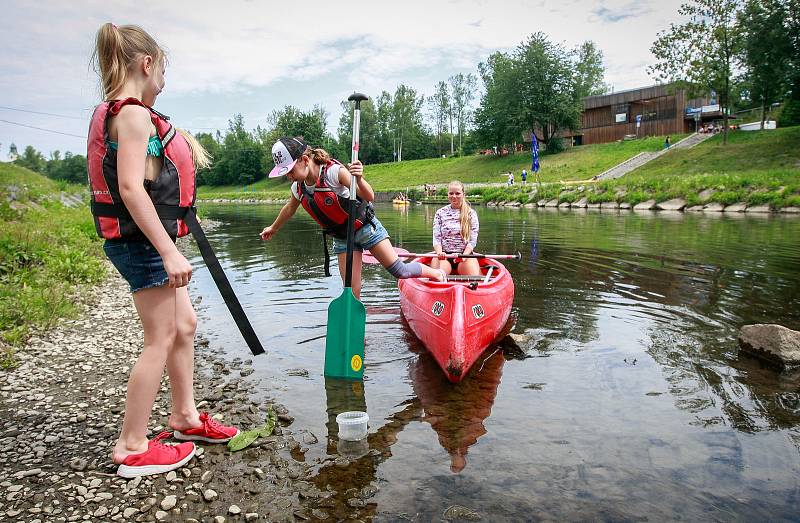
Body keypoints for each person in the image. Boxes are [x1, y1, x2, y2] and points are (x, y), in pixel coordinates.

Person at [87, 23, 239, 478]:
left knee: (184, 325)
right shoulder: (131, 114)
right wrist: (169, 252)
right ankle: (131, 445)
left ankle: (185, 418)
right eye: (163, 73)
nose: (163, 84)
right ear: (146, 64)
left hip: (145, 240)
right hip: (141, 243)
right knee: (162, 337)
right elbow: (132, 189)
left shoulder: (118, 112)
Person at [260, 137, 445, 299]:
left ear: (305, 160)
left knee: (400, 271)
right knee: (351, 290)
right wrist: (274, 228)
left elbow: (369, 195)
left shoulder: (334, 172)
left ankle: (436, 274)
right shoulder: (298, 188)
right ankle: (357, 335)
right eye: (285, 174)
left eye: (291, 171)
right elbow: (289, 209)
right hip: (342, 238)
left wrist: (360, 179)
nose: (289, 177)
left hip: (366, 229)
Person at [431, 181, 480, 277]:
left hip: (465, 256)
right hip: (444, 256)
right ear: (447, 194)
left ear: (463, 194)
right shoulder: (440, 213)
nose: (454, 196)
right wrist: (439, 252)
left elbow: (473, 240)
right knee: (437, 278)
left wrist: (464, 256)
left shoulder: (471, 213)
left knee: (474, 280)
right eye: (451, 193)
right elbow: (436, 238)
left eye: (457, 193)